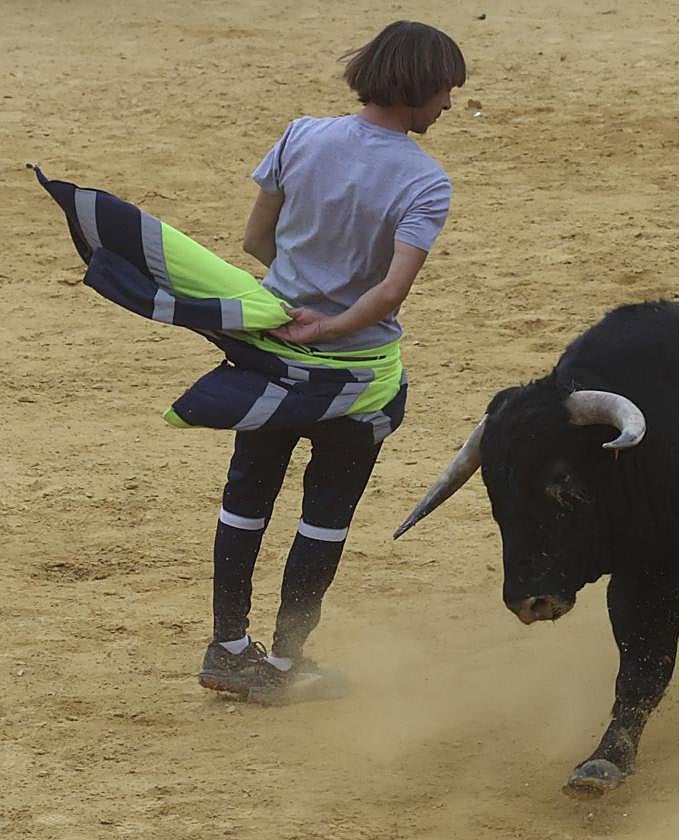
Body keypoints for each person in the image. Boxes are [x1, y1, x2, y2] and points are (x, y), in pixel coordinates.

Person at [196, 20, 467, 704]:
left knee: (247, 495)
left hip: (271, 358)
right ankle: (286, 668)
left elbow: (258, 237)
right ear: (422, 87)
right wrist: (332, 325)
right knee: (325, 516)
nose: (449, 105)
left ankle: (227, 650)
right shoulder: (425, 181)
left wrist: (293, 306)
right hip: (355, 376)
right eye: (446, 92)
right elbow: (390, 291)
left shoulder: (301, 135)